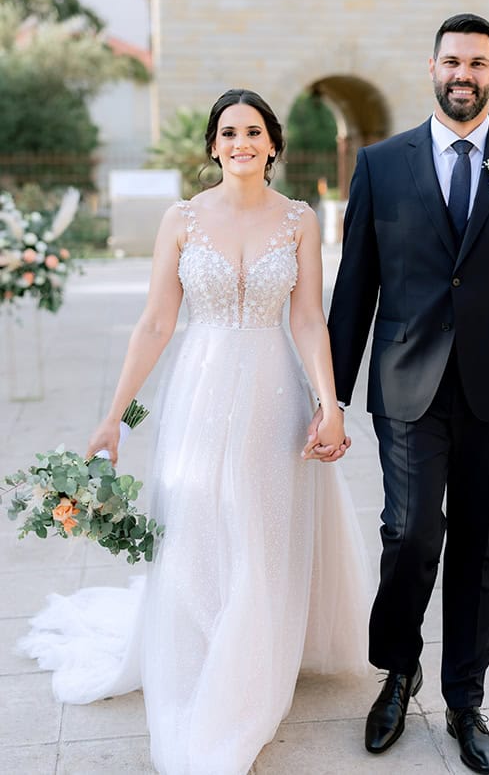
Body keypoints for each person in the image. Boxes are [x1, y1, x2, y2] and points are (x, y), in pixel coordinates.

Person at [20, 88, 372, 775]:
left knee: (261, 528)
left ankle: (250, 673)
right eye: (228, 132)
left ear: (273, 143)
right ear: (213, 146)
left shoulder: (299, 221)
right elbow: (155, 323)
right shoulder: (181, 220)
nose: (240, 142)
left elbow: (307, 320)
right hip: (202, 389)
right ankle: (199, 649)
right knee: (199, 526)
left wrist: (329, 403)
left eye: (253, 131)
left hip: (275, 389)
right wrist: (114, 416)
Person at [304, 13, 489, 774]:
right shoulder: (380, 164)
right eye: (450, 61)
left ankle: (466, 699)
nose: (462, 74)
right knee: (409, 534)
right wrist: (328, 397)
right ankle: (398, 672)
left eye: (476, 62)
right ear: (430, 69)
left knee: (480, 545)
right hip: (406, 382)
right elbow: (355, 290)